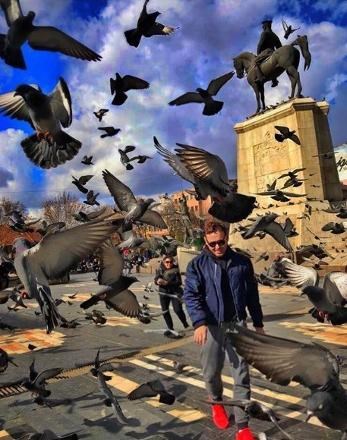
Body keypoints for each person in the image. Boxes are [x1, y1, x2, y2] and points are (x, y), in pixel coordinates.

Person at [183, 219, 264, 440]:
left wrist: (258, 324)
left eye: (220, 242)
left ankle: (242, 426)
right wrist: (199, 323)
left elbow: (252, 296)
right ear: (206, 243)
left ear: (226, 238)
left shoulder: (242, 263)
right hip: (210, 325)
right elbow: (191, 296)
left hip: (237, 324)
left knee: (242, 375)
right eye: (212, 244)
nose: (217, 247)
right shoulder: (196, 265)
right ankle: (216, 402)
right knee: (210, 373)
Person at [154, 255, 190, 338]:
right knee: (165, 311)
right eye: (167, 262)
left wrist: (168, 283)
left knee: (177, 310)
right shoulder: (160, 269)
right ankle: (170, 328)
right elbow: (156, 278)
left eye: (170, 262)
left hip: (175, 292)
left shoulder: (176, 269)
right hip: (163, 292)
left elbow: (179, 282)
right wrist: (158, 281)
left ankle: (185, 323)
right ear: (163, 262)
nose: (169, 264)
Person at [255, 18, 282, 87]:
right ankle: (274, 80)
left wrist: (258, 54)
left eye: (263, 26)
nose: (262, 27)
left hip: (266, 52)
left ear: (265, 26)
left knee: (255, 62)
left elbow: (260, 44)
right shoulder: (274, 35)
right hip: (273, 52)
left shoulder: (264, 33)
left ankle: (260, 77)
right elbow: (279, 46)